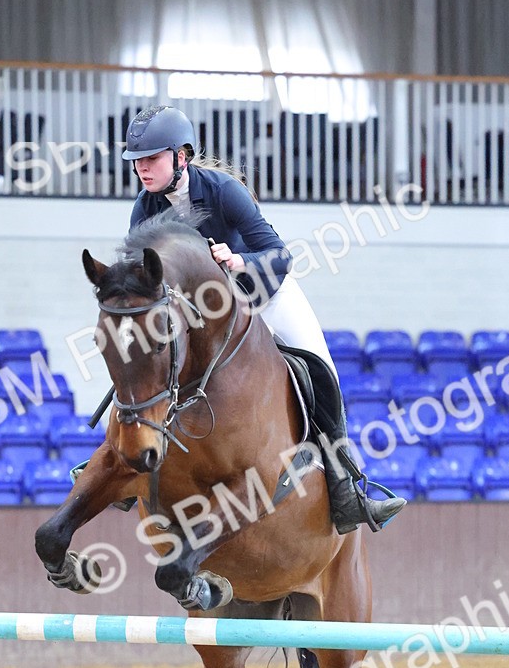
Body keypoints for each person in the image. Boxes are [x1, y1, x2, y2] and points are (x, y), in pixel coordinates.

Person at [120, 104, 405, 535]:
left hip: (265, 296)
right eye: (137, 160)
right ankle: (122, 459)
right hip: (209, 319)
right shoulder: (145, 210)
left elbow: (281, 256)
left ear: (182, 156)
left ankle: (346, 486)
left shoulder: (223, 191)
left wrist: (237, 260)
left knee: (320, 370)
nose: (142, 168)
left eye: (152, 158)